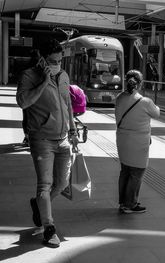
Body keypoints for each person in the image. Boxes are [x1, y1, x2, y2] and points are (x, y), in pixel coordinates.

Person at [16, 39, 78, 248]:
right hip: (41, 138)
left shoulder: (63, 75)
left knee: (62, 183)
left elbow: (67, 103)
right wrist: (44, 81)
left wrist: (73, 130)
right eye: (52, 61)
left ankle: (39, 205)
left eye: (60, 61)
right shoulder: (28, 76)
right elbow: (23, 102)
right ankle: (49, 228)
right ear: (42, 59)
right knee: (45, 184)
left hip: (62, 139)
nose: (57, 64)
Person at [115, 69, 160, 214]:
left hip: (122, 140)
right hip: (138, 143)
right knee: (137, 173)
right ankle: (130, 204)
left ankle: (123, 202)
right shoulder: (145, 102)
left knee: (125, 171)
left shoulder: (119, 97)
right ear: (140, 84)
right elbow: (157, 113)